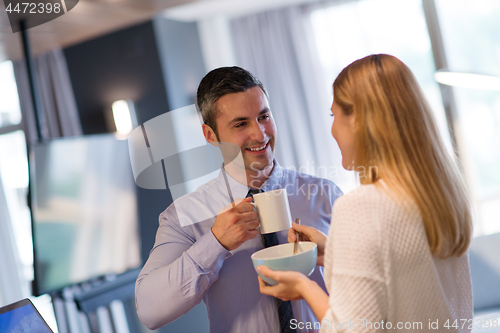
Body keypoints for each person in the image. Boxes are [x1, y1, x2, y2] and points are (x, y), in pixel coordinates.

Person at [257, 54, 473, 332]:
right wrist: (336, 251)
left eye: (334, 115)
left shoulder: (360, 207)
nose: (332, 128)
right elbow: (405, 276)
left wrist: (304, 287)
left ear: (358, 119)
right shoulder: (443, 195)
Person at [135, 66, 343, 333]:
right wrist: (214, 243)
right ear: (211, 135)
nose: (259, 134)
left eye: (264, 116)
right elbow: (149, 311)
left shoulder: (326, 195)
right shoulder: (184, 216)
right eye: (241, 124)